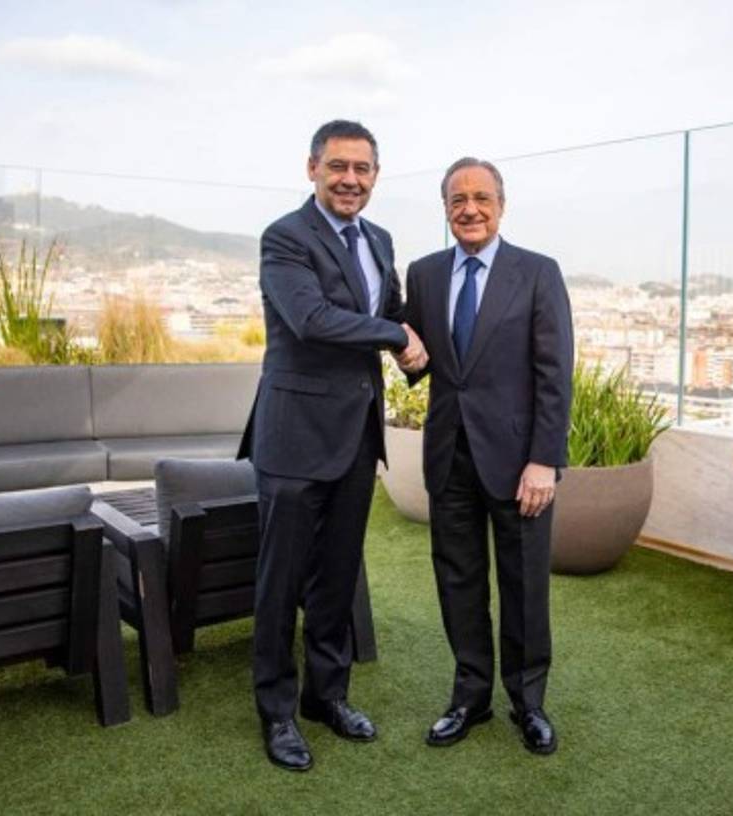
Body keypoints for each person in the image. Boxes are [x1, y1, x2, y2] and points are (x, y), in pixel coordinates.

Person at [238, 120, 428, 772]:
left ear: (376, 175)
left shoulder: (378, 239)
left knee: (335, 580)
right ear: (312, 167)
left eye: (363, 169)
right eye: (338, 166)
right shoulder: (285, 237)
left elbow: (397, 314)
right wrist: (396, 337)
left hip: (354, 438)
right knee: (279, 583)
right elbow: (311, 320)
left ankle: (327, 697)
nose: (350, 179)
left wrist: (425, 348)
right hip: (292, 439)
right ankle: (277, 713)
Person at [402, 157, 574, 755]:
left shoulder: (538, 273)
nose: (469, 209)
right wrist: (406, 355)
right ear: (445, 208)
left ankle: (529, 705)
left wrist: (544, 460)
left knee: (524, 586)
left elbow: (555, 375)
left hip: (520, 463)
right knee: (459, 579)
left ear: (502, 205)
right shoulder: (422, 275)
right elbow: (421, 356)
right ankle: (470, 697)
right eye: (457, 200)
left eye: (481, 198)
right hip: (449, 455)